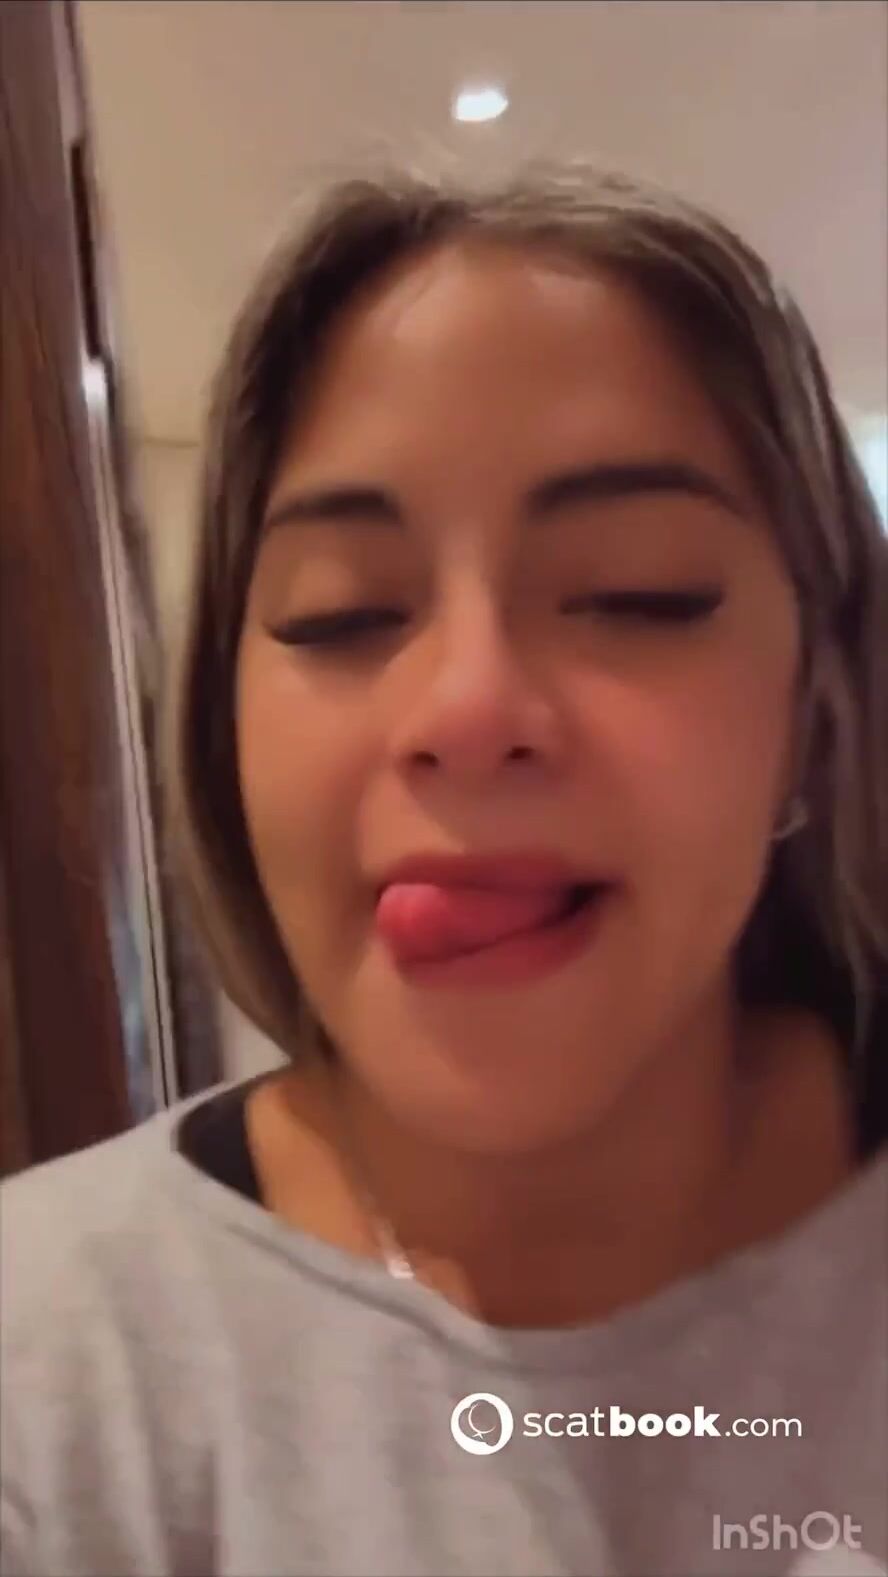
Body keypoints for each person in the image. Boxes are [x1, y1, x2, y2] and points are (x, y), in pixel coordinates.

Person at [2, 164, 886, 1577]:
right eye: (340, 613)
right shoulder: (46, 1355)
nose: (466, 708)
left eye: (636, 590)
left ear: (817, 718)